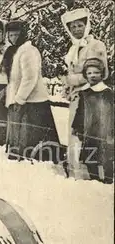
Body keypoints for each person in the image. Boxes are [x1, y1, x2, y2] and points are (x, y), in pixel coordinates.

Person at [1, 20, 61, 162]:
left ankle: (41, 163)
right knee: (21, 134)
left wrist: (19, 98)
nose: (14, 37)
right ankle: (21, 160)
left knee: (34, 135)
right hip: (21, 100)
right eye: (11, 35)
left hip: (33, 102)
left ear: (23, 34)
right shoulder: (15, 51)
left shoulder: (29, 51)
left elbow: (30, 78)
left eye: (17, 34)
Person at [60, 8, 108, 179]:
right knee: (73, 132)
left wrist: (74, 80)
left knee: (89, 134)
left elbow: (101, 72)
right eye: (73, 27)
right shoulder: (73, 48)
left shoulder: (96, 46)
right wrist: (68, 85)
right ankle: (75, 171)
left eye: (80, 25)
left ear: (86, 26)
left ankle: (92, 174)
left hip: (92, 97)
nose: (76, 30)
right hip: (77, 97)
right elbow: (71, 72)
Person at [72, 58, 113, 184]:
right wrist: (76, 127)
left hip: (105, 131)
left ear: (102, 74)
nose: (93, 76)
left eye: (96, 72)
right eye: (89, 73)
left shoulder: (108, 93)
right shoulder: (85, 93)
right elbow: (80, 112)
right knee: (90, 156)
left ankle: (108, 180)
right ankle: (94, 180)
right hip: (89, 131)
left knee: (106, 157)